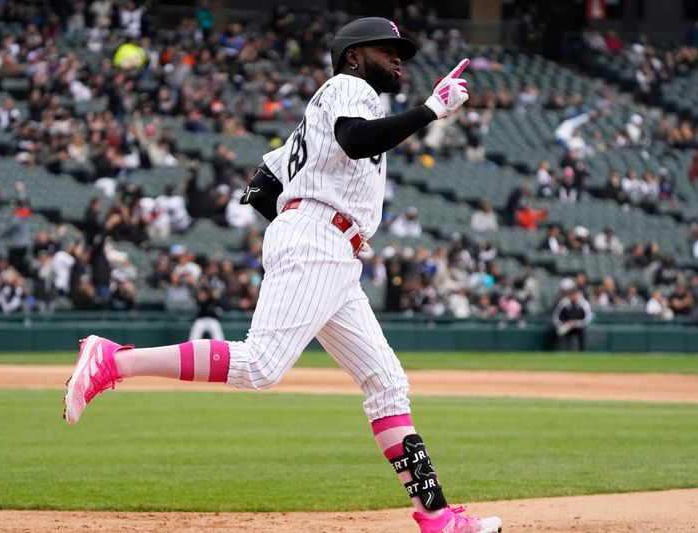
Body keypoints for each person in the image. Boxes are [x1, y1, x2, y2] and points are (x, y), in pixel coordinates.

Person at [63, 17, 501, 533]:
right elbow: (355, 140)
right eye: (388, 49)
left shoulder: (330, 105)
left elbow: (261, 185)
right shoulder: (348, 86)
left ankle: (437, 518)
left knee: (387, 384)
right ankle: (114, 361)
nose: (399, 58)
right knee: (261, 365)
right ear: (355, 56)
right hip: (322, 239)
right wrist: (432, 109)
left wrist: (299, 219)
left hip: (332, 250)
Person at [552, 278, 592, 351]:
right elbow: (555, 317)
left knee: (581, 333)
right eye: (572, 294)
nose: (573, 296)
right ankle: (554, 351)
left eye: (575, 294)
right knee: (555, 332)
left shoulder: (584, 304)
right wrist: (564, 324)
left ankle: (581, 352)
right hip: (565, 325)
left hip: (578, 327)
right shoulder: (563, 302)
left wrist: (575, 323)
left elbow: (587, 320)